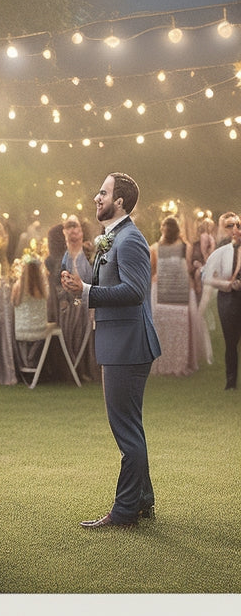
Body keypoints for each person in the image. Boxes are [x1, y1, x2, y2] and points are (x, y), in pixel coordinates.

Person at [61, 173, 161, 529]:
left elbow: (135, 291)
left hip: (128, 346)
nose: (96, 197)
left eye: (102, 193)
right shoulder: (113, 237)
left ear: (119, 202)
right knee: (130, 425)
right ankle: (143, 501)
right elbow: (110, 287)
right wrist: (80, 288)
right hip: (119, 343)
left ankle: (123, 512)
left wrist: (87, 289)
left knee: (125, 428)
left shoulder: (130, 239)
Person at [149, 216, 199, 376]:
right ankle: (176, 364)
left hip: (167, 291)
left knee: (166, 329)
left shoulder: (155, 248)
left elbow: (152, 272)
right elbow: (188, 268)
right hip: (175, 292)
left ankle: (166, 364)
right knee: (176, 329)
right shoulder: (185, 247)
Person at [202, 213, 241, 389]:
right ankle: (231, 382)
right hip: (228, 299)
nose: (235, 229)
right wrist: (228, 284)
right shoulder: (221, 249)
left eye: (238, 225)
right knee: (231, 342)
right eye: (230, 226)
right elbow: (208, 277)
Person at [58, 215, 98, 382]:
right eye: (70, 227)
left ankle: (89, 370)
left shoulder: (89, 254)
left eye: (76, 227)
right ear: (64, 232)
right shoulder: (63, 257)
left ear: (82, 232)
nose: (73, 231)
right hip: (70, 306)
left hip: (90, 302)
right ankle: (72, 370)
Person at [11, 255, 49, 371]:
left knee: (25, 342)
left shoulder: (18, 287)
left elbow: (13, 303)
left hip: (21, 329)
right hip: (39, 329)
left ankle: (25, 363)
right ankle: (32, 362)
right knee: (41, 337)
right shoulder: (41, 288)